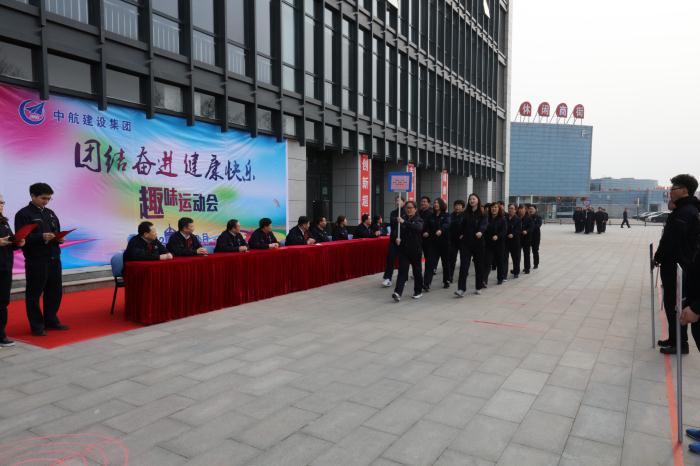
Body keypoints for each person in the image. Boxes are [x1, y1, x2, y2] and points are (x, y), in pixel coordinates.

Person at [654, 174, 700, 354]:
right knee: (672, 304)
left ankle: (680, 344)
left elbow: (671, 240)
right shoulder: (683, 210)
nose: (670, 192)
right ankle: (674, 339)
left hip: (677, 266)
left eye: (673, 189)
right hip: (675, 265)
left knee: (675, 305)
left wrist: (658, 256)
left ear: (684, 190)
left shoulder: (685, 212)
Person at [14, 183, 68, 336]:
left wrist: (59, 238)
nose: (46, 201)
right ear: (33, 196)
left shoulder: (50, 213)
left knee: (55, 291)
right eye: (43, 198)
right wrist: (41, 237)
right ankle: (37, 325)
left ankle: (51, 320)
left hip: (54, 257)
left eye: (49, 199)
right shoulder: (23, 214)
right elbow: (20, 238)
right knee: (34, 293)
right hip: (36, 259)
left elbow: (56, 231)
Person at [1, 194, 25, 347]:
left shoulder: (3, 221)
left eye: (2, 202)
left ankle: (1, 334)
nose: (1, 205)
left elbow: (8, 242)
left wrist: (18, 242)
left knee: (3, 302)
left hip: (5, 266)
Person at [391, 201, 424, 302]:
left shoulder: (418, 219)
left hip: (415, 250)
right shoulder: (402, 218)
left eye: (410, 208)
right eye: (407, 208)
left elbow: (418, 228)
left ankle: (418, 291)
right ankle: (398, 293)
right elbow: (395, 232)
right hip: (404, 250)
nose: (408, 210)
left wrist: (404, 222)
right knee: (402, 271)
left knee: (417, 271)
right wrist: (396, 238)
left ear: (415, 209)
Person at [455, 193, 487, 297]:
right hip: (466, 243)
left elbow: (484, 224)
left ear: (478, 200)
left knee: (479, 266)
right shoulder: (465, 213)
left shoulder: (483, 213)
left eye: (473, 199)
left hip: (478, 243)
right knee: (464, 266)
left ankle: (478, 286)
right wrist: (460, 234)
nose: (471, 200)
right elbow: (461, 225)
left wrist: (481, 231)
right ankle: (461, 289)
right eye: (470, 199)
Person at [423, 198, 451, 291]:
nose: (435, 204)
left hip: (444, 242)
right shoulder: (431, 216)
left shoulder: (446, 215)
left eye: (437, 203)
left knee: (445, 263)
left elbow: (447, 224)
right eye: (434, 203)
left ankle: (446, 280)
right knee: (430, 263)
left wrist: (441, 230)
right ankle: (426, 283)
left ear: (441, 204)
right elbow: (426, 226)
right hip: (433, 243)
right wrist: (426, 232)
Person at [382, 196, 405, 287]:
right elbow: (392, 223)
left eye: (399, 200)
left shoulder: (406, 212)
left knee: (402, 260)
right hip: (393, 239)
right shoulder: (393, 213)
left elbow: (406, 225)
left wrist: (402, 221)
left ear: (403, 202)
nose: (398, 202)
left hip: (403, 240)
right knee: (390, 258)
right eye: (396, 201)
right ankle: (388, 278)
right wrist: (397, 219)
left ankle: (403, 278)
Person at [484, 202, 507, 286]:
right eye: (492, 207)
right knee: (487, 262)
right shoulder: (487, 219)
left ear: (499, 209)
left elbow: (504, 231)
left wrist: (497, 236)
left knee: (500, 262)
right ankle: (484, 280)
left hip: (499, 244)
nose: (494, 209)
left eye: (496, 207)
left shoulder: (502, 219)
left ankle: (500, 278)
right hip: (489, 244)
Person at [446, 199, 465, 284]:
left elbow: (468, 227)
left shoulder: (465, 216)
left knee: (463, 259)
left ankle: (463, 275)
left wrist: (463, 234)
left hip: (463, 240)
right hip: (453, 240)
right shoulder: (451, 215)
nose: (457, 207)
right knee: (451, 259)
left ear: (463, 207)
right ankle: (450, 277)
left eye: (459, 205)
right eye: (456, 205)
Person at [506, 203, 522, 279]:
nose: (510, 210)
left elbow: (518, 229)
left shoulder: (518, 219)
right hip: (506, 241)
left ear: (515, 210)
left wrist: (513, 234)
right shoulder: (505, 218)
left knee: (516, 258)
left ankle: (516, 272)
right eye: (509, 208)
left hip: (515, 241)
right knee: (504, 258)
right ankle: (504, 273)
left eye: (512, 208)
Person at [518, 205, 533, 274]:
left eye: (522, 209)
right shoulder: (517, 217)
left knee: (526, 254)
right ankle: (516, 269)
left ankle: (527, 268)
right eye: (519, 209)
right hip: (518, 238)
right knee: (517, 254)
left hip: (526, 238)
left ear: (525, 210)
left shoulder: (528, 218)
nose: (520, 210)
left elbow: (531, 227)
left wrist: (526, 231)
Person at [528, 205, 543, 269]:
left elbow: (538, 225)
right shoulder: (527, 217)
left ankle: (536, 264)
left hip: (536, 237)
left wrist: (530, 228)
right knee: (527, 252)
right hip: (528, 237)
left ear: (535, 210)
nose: (530, 210)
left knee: (535, 251)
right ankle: (527, 265)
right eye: (529, 209)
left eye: (532, 209)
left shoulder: (538, 217)